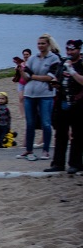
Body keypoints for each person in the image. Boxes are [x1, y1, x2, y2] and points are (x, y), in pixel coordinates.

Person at [19, 34, 61, 161]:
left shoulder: (54, 59)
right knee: (30, 122)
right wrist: (21, 71)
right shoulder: (32, 58)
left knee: (46, 123)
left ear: (48, 44)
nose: (40, 46)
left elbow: (50, 77)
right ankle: (29, 149)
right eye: (38, 43)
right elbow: (26, 75)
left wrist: (33, 76)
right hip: (30, 94)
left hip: (45, 95)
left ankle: (46, 150)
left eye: (43, 43)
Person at [44, 39, 83, 174]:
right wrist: (55, 83)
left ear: (79, 50)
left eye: (73, 49)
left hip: (78, 104)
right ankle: (58, 163)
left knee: (77, 134)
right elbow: (56, 78)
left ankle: (75, 163)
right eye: (68, 49)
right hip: (62, 101)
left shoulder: (81, 64)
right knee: (61, 134)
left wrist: (72, 71)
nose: (70, 52)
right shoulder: (62, 63)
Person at [13, 48, 31, 118]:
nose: (26, 56)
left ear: (30, 55)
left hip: (28, 83)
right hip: (21, 83)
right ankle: (22, 114)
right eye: (24, 54)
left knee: (27, 98)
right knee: (21, 98)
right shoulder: (21, 63)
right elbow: (17, 70)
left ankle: (28, 113)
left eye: (27, 54)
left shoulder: (31, 63)